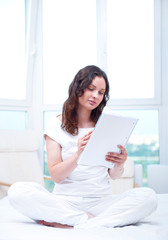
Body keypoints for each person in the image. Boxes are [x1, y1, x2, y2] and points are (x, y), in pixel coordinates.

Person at [8, 65, 157, 229]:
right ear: (78, 88)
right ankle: (89, 221)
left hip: (101, 201)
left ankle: (78, 223)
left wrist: (119, 164)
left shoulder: (108, 122)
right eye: (91, 89)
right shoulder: (55, 125)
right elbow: (56, 176)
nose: (96, 96)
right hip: (65, 201)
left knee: (149, 197)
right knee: (17, 191)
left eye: (101, 92)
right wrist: (78, 154)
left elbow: (113, 176)